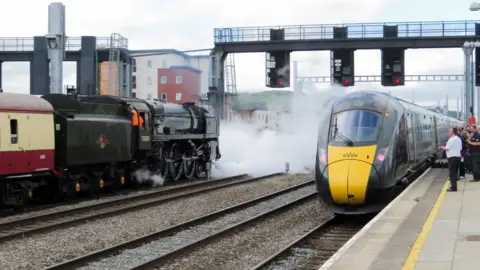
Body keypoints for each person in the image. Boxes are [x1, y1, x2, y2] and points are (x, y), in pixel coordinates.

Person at [441, 127, 462, 192]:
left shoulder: (451, 139)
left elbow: (447, 148)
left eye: (449, 131)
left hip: (452, 158)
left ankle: (453, 188)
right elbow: (460, 148)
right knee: (454, 173)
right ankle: (454, 186)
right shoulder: (458, 139)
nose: (448, 132)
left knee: (452, 173)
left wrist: (442, 147)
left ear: (452, 132)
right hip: (458, 157)